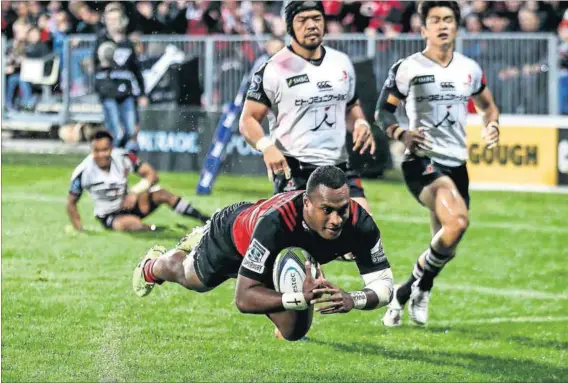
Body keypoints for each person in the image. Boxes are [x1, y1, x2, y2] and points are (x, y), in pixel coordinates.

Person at [132, 166, 394, 341]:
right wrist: (296, 297)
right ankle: (153, 265)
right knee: (192, 279)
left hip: (276, 256)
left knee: (293, 332)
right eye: (327, 210)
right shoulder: (276, 223)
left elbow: (384, 285)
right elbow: (243, 299)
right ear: (306, 203)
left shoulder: (361, 224)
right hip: (232, 238)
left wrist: (354, 298)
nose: (337, 219)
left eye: (342, 209)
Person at [375, 1, 500, 326]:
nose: (443, 25)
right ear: (423, 28)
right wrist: (401, 133)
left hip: (457, 165)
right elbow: (382, 112)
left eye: (448, 19)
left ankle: (411, 291)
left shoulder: (469, 69)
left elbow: (488, 105)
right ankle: (414, 290)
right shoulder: (408, 67)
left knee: (447, 244)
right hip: (422, 161)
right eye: (435, 20)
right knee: (457, 222)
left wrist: (492, 124)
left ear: (456, 26)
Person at [239, 1, 375, 214]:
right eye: (303, 20)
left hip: (338, 165)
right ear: (290, 26)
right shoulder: (273, 68)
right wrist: (266, 146)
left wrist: (360, 122)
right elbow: (248, 120)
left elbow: (351, 105)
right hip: (296, 168)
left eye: (317, 18)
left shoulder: (342, 62)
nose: (311, 25)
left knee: (365, 232)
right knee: (312, 240)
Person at [67, 131, 210, 232]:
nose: (101, 155)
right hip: (109, 215)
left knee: (162, 194)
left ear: (111, 148)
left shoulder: (124, 157)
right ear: (91, 150)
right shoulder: (83, 172)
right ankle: (168, 230)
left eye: (105, 150)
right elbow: (71, 203)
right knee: (132, 224)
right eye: (96, 151)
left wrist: (135, 192)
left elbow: (152, 175)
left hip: (129, 204)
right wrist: (79, 229)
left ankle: (205, 220)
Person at [93, 2, 148, 152]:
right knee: (117, 132)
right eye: (110, 19)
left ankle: (122, 161)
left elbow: (136, 71)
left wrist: (142, 93)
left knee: (131, 131)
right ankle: (112, 162)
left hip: (126, 92)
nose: (112, 23)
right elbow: (94, 66)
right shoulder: (101, 41)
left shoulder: (128, 43)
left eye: (115, 19)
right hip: (109, 91)